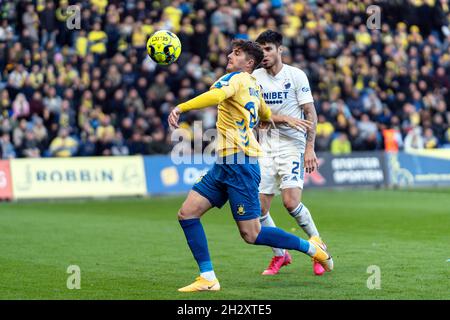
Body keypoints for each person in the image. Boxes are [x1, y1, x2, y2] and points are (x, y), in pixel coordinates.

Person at [168, 39, 333, 292]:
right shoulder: (254, 86)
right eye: (231, 52)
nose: (229, 56)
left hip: (241, 163)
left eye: (236, 54)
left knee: (252, 234)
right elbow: (265, 115)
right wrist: (284, 119)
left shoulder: (237, 79)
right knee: (187, 213)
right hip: (225, 163)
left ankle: (313, 248)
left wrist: (181, 107)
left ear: (249, 63)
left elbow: (216, 95)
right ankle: (208, 278)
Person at [253, 30, 331, 276]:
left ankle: (318, 247)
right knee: (259, 211)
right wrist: (282, 120)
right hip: (265, 146)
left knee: (290, 202)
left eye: (268, 49)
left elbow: (310, 113)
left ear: (279, 50)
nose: (263, 55)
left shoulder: (296, 75)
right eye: (260, 50)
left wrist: (310, 147)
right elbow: (258, 117)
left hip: (292, 146)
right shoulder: (254, 77)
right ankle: (280, 254)